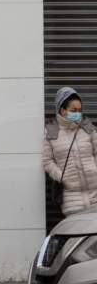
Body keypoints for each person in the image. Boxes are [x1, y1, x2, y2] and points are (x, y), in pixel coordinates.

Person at [43, 87, 97, 217]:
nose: (78, 114)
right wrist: (61, 176)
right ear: (62, 110)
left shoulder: (88, 128)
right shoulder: (51, 131)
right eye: (73, 110)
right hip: (72, 198)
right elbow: (47, 161)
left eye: (79, 110)